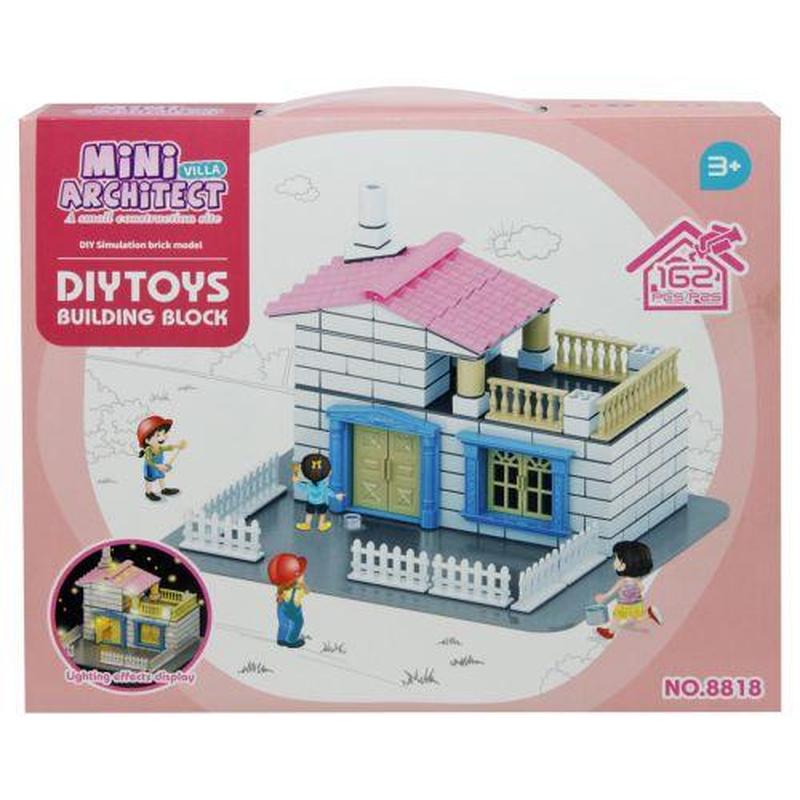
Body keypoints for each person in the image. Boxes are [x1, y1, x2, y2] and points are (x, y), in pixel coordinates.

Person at [594, 540, 663, 640]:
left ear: (624, 565)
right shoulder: (636, 580)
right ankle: (649, 613)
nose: (614, 562)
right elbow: (641, 587)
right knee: (637, 617)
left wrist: (605, 596)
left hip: (624, 604)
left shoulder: (623, 581)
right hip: (636, 603)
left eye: (616, 559)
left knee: (617, 616)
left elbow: (614, 590)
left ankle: (610, 632)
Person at [136, 415, 187, 502]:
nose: (162, 437)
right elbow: (149, 461)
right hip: (151, 468)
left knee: (161, 477)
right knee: (149, 480)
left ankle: (164, 489)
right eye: (158, 435)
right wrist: (157, 466)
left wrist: (177, 446)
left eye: (163, 434)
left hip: (160, 466)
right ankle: (149, 492)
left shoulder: (159, 447)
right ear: (147, 440)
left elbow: (168, 447)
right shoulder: (148, 450)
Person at [292, 453, 345, 532]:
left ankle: (307, 524)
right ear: (329, 473)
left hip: (311, 502)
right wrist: (336, 496)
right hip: (322, 503)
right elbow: (329, 492)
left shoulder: (309, 485)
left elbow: (302, 487)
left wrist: (297, 482)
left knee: (309, 513)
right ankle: (321, 525)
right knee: (322, 514)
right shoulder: (323, 486)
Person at [267, 553, 309, 648]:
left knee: (284, 622)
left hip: (283, 604)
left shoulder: (283, 588)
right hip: (292, 606)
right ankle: (291, 640)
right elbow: (301, 594)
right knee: (297, 622)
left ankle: (281, 639)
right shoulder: (295, 588)